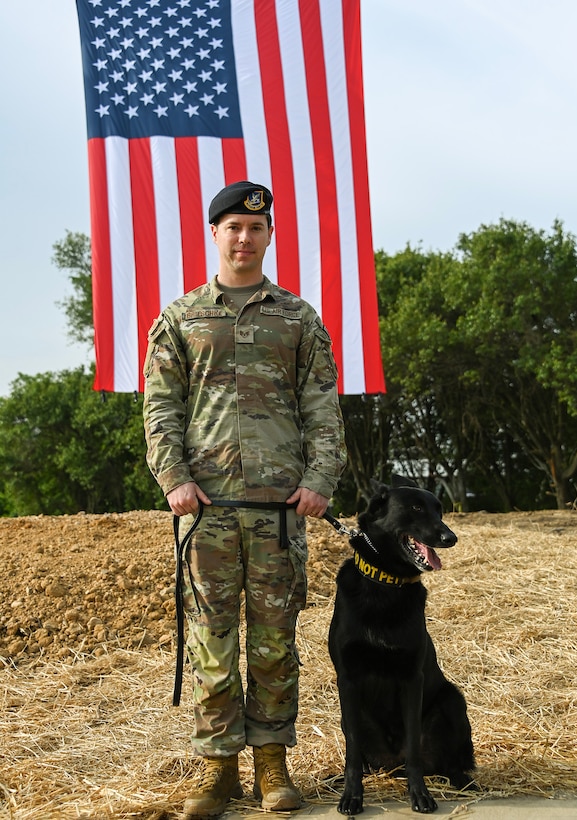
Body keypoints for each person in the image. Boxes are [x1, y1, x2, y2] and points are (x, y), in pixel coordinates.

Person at [143, 181, 346, 820]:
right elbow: (160, 407)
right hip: (202, 508)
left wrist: (320, 479)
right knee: (212, 640)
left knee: (276, 640)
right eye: (232, 226)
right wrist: (174, 478)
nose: (243, 237)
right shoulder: (180, 318)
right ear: (215, 234)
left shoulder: (297, 318)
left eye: (255, 228)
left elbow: (322, 406)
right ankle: (217, 771)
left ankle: (272, 765)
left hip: (280, 508)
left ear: (268, 236)